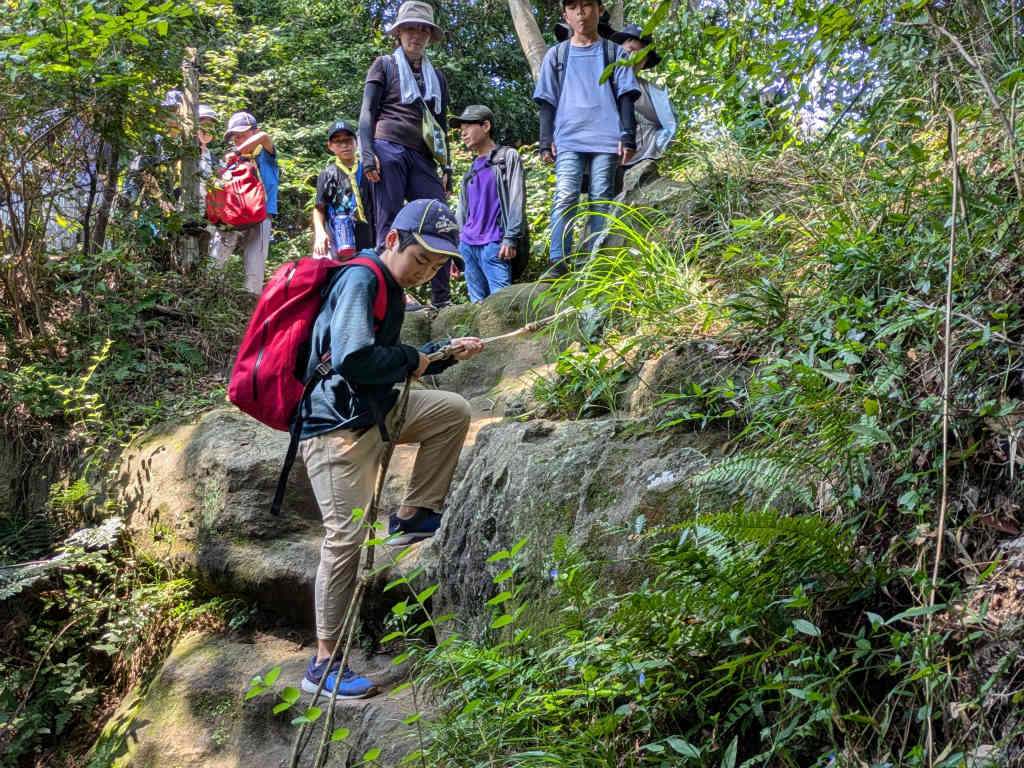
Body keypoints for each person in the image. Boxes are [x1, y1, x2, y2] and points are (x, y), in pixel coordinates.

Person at [295, 198, 484, 698]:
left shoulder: (391, 286)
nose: (426, 272)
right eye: (421, 259)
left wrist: (439, 357)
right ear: (394, 240)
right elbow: (354, 359)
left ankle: (414, 514)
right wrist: (412, 358)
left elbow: (392, 363)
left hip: (376, 413)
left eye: (438, 265)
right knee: (345, 541)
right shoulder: (362, 279)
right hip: (337, 429)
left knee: (450, 411)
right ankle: (322, 665)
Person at [533, 0, 641, 278]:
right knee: (565, 196)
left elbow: (626, 95)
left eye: (587, 5)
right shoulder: (556, 55)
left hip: (606, 137)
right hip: (568, 137)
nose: (581, 13)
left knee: (601, 197)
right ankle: (558, 261)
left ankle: (595, 262)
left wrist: (627, 136)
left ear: (600, 10)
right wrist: (546, 141)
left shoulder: (614, 52)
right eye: (573, 7)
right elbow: (547, 101)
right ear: (565, 15)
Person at [359, 0, 455, 309]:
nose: (416, 35)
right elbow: (367, 112)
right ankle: (386, 296)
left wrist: (448, 166)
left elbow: (440, 126)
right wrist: (366, 152)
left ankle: (442, 300)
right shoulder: (384, 64)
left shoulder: (436, 77)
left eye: (423, 30)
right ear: (399, 33)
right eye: (410, 28)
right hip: (387, 147)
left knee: (439, 219)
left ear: (429, 36)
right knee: (388, 221)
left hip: (423, 156)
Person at [450, 105, 526, 303]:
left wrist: (510, 238)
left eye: (467, 126)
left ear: (486, 126)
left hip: (495, 245)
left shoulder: (507, 157)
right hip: (467, 246)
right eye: (461, 129)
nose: (463, 133)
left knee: (501, 306)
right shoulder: (470, 171)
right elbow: (462, 211)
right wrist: (455, 251)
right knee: (478, 308)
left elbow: (517, 198)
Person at [210, 111, 279, 294]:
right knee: (216, 257)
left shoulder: (265, 153)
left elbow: (265, 137)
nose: (238, 139)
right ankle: (209, 296)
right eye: (235, 137)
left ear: (254, 131)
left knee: (254, 262)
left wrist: (236, 152)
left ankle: (251, 302)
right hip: (233, 217)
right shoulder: (232, 161)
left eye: (243, 134)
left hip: (261, 214)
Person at [609, 24, 678, 169]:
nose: (634, 58)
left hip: (639, 158)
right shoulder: (602, 80)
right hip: (602, 154)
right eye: (631, 50)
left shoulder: (651, 92)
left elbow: (670, 124)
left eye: (641, 56)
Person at [312, 120, 376, 259]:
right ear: (330, 146)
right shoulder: (328, 174)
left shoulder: (368, 171)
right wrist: (320, 233)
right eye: (338, 141)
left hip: (366, 234)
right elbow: (319, 208)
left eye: (348, 140)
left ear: (356, 142)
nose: (344, 145)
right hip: (337, 235)